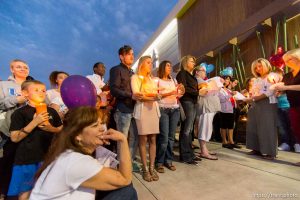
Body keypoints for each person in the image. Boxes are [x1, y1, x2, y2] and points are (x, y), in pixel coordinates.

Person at [30, 106, 137, 200]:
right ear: (78, 135)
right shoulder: (76, 161)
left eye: (102, 123)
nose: (102, 128)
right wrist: (122, 140)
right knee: (127, 191)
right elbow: (125, 178)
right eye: (95, 125)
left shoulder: (68, 154)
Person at [7, 80, 62, 200]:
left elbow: (62, 130)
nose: (41, 93)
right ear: (25, 93)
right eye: (36, 90)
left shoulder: (52, 111)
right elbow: (14, 138)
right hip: (27, 160)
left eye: (43, 90)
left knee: (48, 191)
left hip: (48, 158)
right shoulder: (19, 113)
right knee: (25, 192)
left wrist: (51, 129)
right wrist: (35, 122)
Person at [0, 59, 29, 199]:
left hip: (29, 131)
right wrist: (17, 100)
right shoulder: (4, 85)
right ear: (12, 70)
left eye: (25, 67)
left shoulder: (32, 86)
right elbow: (0, 104)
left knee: (23, 165)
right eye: (19, 67)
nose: (23, 69)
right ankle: (3, 193)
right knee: (6, 164)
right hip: (9, 132)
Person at [109, 45, 141, 171]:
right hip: (123, 109)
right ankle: (121, 165)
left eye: (133, 54)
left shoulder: (133, 73)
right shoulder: (116, 70)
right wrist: (130, 95)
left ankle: (130, 162)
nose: (132, 56)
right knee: (122, 139)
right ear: (121, 56)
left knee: (135, 138)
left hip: (136, 109)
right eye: (128, 54)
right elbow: (114, 90)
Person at [131, 56, 161, 182]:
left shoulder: (151, 79)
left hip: (153, 109)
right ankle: (144, 168)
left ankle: (151, 167)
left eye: (151, 63)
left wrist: (155, 96)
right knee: (143, 140)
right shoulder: (135, 77)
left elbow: (155, 94)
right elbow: (137, 95)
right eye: (148, 62)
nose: (150, 65)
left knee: (153, 139)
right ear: (141, 64)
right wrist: (154, 97)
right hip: (142, 110)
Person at [244, 58, 278, 160]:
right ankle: (256, 148)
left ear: (266, 65)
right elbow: (254, 92)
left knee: (267, 127)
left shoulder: (272, 76)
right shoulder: (257, 79)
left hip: (267, 103)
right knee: (253, 125)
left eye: (260, 66)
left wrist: (256, 98)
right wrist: (249, 99)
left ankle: (270, 152)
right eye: (256, 68)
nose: (258, 69)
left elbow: (270, 91)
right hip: (255, 103)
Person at [155, 60, 184, 173]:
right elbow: (157, 96)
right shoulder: (157, 80)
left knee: (171, 137)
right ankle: (159, 162)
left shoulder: (174, 80)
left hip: (175, 109)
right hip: (163, 109)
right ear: (162, 67)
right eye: (167, 65)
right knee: (164, 137)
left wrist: (180, 91)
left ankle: (168, 160)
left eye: (170, 65)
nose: (170, 67)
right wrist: (170, 93)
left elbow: (178, 94)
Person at [275, 48, 300, 165]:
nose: (287, 61)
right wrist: (278, 91)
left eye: (290, 58)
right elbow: (282, 90)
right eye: (286, 60)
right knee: (296, 128)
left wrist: (286, 88)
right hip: (293, 105)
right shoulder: (287, 75)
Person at [176, 55, 201, 165]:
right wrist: (198, 92)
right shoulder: (182, 74)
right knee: (186, 129)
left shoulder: (191, 76)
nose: (194, 63)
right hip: (187, 102)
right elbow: (184, 89)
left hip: (193, 102)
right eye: (192, 61)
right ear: (186, 62)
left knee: (189, 130)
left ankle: (189, 153)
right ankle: (185, 155)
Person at [194, 65, 220, 160]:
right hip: (205, 107)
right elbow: (203, 91)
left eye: (205, 71)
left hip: (209, 107)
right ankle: (204, 151)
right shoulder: (197, 80)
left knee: (207, 128)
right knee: (204, 128)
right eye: (203, 71)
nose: (205, 73)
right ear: (197, 72)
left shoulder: (203, 80)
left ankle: (205, 150)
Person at [218, 75, 240, 149]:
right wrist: (231, 94)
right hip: (224, 110)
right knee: (224, 126)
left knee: (231, 126)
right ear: (222, 80)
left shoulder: (228, 90)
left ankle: (231, 141)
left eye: (229, 79)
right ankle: (224, 141)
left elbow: (232, 99)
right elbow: (222, 99)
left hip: (231, 110)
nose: (228, 81)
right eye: (227, 79)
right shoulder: (219, 89)